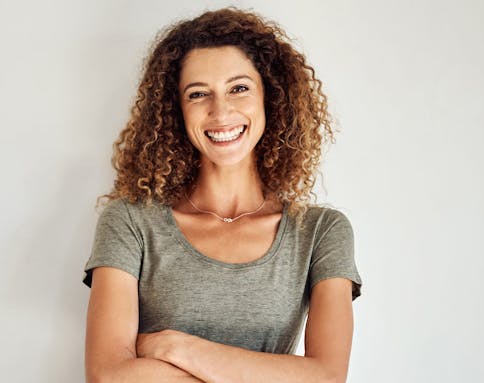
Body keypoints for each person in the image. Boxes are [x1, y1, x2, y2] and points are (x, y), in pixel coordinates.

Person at [82, 7, 363, 383]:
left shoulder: (321, 232)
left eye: (239, 88)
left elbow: (326, 377)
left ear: (270, 97)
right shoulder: (130, 221)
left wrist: (176, 347)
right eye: (198, 94)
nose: (220, 111)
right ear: (177, 109)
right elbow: (108, 376)